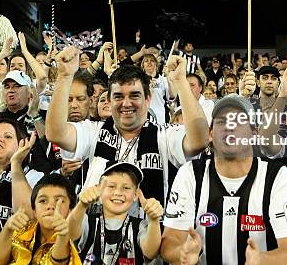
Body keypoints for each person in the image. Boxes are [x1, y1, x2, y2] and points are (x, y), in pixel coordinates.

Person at [45, 47, 209, 212]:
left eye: (134, 95)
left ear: (148, 99)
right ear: (109, 100)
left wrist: (181, 82)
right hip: (96, 234)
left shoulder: (164, 135)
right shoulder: (94, 131)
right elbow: (56, 133)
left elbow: (199, 141)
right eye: (118, 97)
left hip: (148, 234)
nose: (126, 103)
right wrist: (65, 77)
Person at [161, 94, 287, 265]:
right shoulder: (190, 175)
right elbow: (170, 241)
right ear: (210, 134)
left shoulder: (278, 177)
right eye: (221, 121)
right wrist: (182, 253)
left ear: (254, 133)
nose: (229, 127)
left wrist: (261, 260)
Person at [68, 162, 163, 264]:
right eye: (111, 186)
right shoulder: (87, 221)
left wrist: (153, 220)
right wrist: (81, 205)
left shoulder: (141, 226)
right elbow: (70, 233)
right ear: (99, 189)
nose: (118, 193)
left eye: (126, 188)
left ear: (136, 194)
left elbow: (150, 252)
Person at [0, 173, 81, 265]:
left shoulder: (75, 234)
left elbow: (58, 262)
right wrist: (8, 229)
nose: (50, 206)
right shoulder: (23, 231)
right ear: (34, 210)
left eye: (59, 201)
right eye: (43, 201)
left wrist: (62, 236)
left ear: (71, 209)